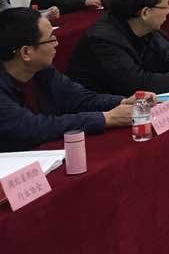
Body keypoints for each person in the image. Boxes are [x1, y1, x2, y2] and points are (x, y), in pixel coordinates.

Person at [0, 8, 140, 152]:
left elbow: (79, 98)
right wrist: (105, 119)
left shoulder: (43, 71)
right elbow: (30, 127)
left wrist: (122, 102)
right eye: (51, 39)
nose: (56, 44)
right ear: (26, 52)